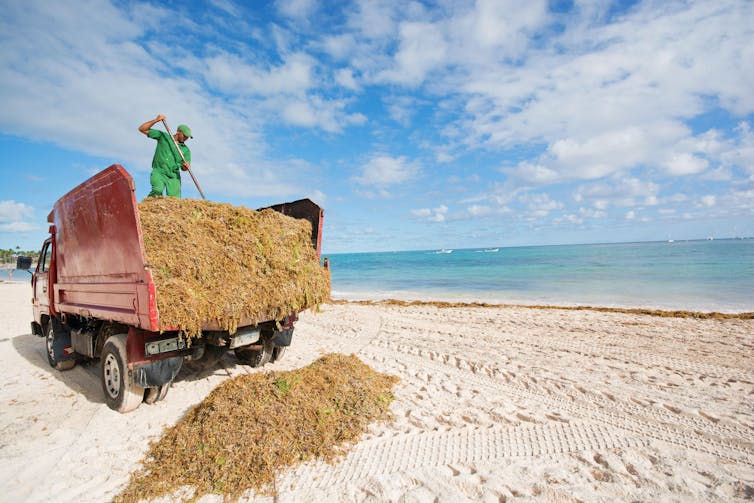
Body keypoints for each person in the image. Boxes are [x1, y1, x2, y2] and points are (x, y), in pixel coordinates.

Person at [138, 114, 192, 198]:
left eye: (187, 137)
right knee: (157, 190)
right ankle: (147, 205)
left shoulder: (186, 150)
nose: (186, 138)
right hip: (159, 171)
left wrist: (186, 167)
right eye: (184, 136)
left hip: (173, 176)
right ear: (178, 132)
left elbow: (184, 168)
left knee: (175, 200)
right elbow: (142, 129)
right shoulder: (164, 137)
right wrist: (156, 120)